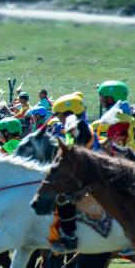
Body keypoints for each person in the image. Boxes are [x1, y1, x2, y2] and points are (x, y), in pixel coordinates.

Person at [50, 93, 92, 252]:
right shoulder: (74, 128)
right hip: (80, 171)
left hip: (87, 173)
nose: (59, 119)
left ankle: (70, 236)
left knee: (63, 199)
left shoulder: (80, 129)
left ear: (69, 114)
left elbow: (76, 155)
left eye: (60, 115)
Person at [97, 80, 135, 151]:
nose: (100, 100)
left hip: (126, 158)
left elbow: (108, 143)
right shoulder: (121, 115)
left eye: (102, 96)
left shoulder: (119, 119)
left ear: (110, 99)